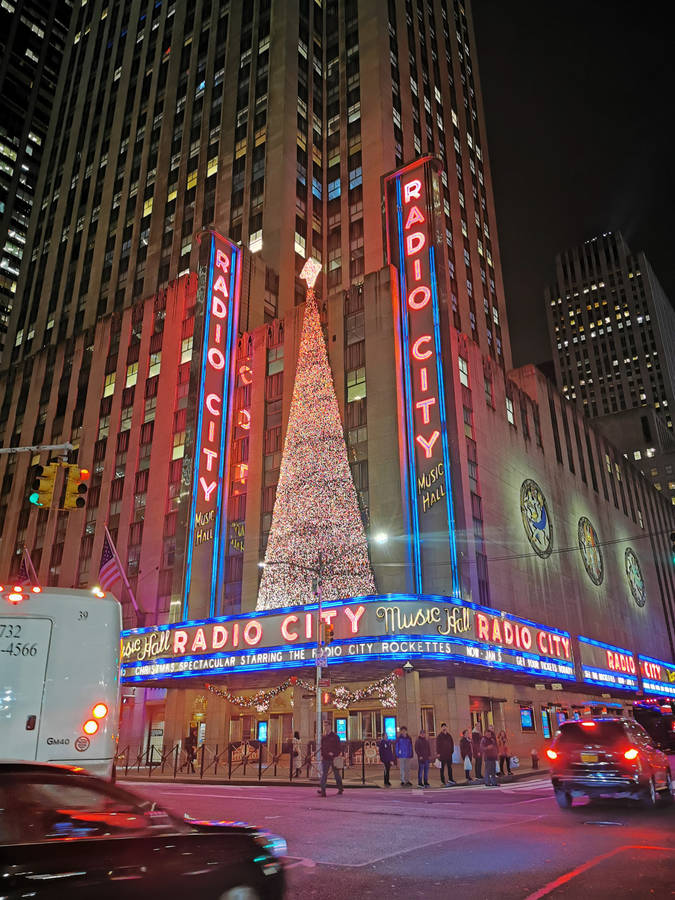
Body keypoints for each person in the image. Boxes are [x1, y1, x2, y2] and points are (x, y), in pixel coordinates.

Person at [317, 727, 344, 797]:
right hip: (326, 758)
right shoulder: (324, 737)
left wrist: (333, 753)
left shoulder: (335, 737)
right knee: (324, 774)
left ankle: (340, 788)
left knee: (336, 774)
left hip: (333, 758)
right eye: (325, 726)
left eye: (326, 726)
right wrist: (325, 754)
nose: (325, 728)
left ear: (330, 727)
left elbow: (339, 748)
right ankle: (323, 790)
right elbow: (323, 748)